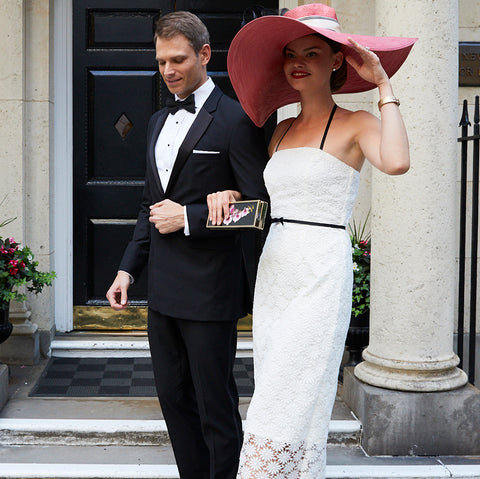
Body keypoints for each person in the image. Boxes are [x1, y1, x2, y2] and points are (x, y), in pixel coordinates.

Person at [207, 4, 417, 478]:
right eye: (290, 54)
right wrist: (227, 194)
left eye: (312, 52)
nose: (297, 62)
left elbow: (398, 162)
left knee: (293, 390)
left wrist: (383, 85)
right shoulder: (278, 132)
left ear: (338, 60)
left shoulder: (357, 124)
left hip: (321, 269)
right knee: (275, 385)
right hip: (276, 269)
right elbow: (265, 198)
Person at [106, 11, 269, 479]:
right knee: (174, 400)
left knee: (213, 403)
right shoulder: (158, 121)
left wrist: (192, 217)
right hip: (163, 288)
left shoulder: (237, 119)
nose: (168, 70)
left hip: (212, 290)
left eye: (177, 59)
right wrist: (127, 270)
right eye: (160, 62)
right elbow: (148, 206)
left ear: (204, 54)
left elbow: (260, 208)